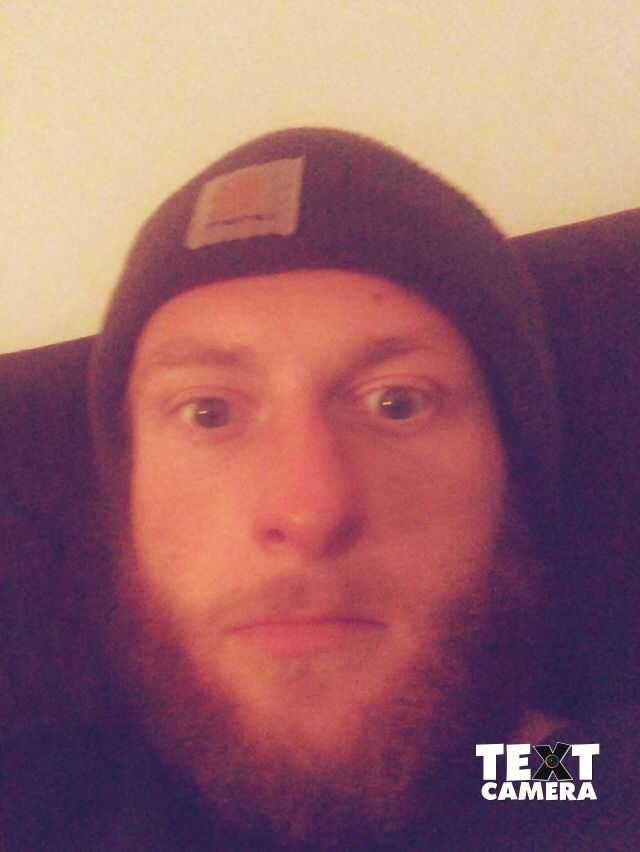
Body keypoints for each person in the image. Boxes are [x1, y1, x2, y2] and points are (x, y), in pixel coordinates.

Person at [1, 128, 633, 850]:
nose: (309, 511)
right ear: (126, 491)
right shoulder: (43, 809)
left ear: (515, 473)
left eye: (398, 402)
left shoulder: (567, 777)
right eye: (208, 412)